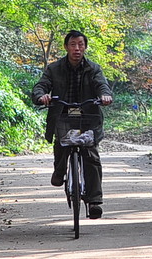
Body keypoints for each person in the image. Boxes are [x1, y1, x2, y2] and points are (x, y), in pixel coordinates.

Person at [33, 30, 114, 219]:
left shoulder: (93, 69)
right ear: (66, 47)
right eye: (73, 44)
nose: (77, 48)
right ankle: (60, 170)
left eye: (80, 44)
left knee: (91, 156)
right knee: (61, 146)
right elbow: (41, 85)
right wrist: (41, 96)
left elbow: (102, 85)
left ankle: (94, 201)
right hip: (62, 115)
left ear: (85, 47)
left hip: (88, 117)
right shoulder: (54, 68)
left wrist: (105, 96)